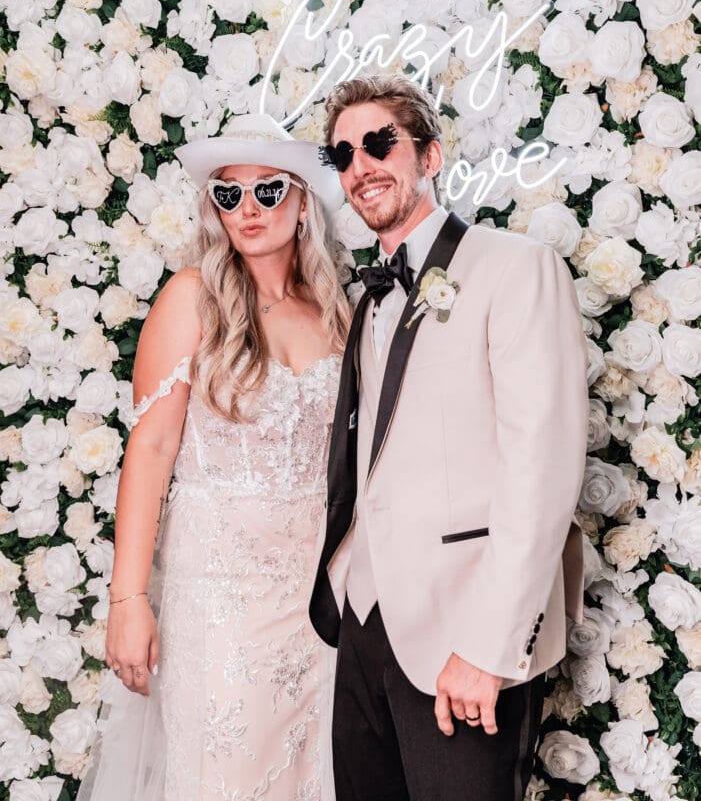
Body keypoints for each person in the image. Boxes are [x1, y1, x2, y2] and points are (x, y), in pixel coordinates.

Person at [309, 75, 589, 801]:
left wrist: (487, 648)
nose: (361, 165)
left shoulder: (515, 268)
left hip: (461, 636)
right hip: (364, 627)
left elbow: (543, 470)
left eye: (379, 144)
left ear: (428, 158)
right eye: (343, 154)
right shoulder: (363, 297)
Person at [78, 113, 351, 801]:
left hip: (317, 598)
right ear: (213, 208)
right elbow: (152, 446)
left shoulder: (336, 311)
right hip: (220, 595)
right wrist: (128, 600)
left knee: (312, 777)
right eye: (229, 195)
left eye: (267, 191)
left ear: (301, 205)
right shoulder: (190, 297)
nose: (249, 209)